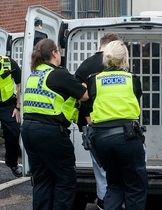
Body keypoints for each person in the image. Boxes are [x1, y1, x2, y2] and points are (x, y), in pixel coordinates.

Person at [21, 38, 89, 210]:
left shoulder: (34, 75)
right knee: (65, 180)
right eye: (58, 51)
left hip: (29, 130)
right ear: (54, 53)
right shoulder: (58, 74)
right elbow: (85, 95)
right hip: (50, 133)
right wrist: (82, 85)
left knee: (42, 180)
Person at [86, 40, 147, 210]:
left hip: (101, 140)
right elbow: (136, 98)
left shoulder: (94, 80)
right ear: (125, 59)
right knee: (135, 187)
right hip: (127, 137)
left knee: (113, 184)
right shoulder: (132, 79)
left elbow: (89, 102)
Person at [74, 33, 119, 210]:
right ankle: (114, 201)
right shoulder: (117, 64)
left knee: (100, 168)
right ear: (113, 45)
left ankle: (103, 201)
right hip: (116, 123)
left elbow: (81, 97)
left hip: (92, 125)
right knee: (117, 168)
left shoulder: (85, 65)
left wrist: (88, 121)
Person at [0, 55, 22, 177]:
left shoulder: (9, 63)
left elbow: (19, 84)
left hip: (7, 105)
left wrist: (17, 106)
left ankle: (12, 162)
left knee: (14, 132)